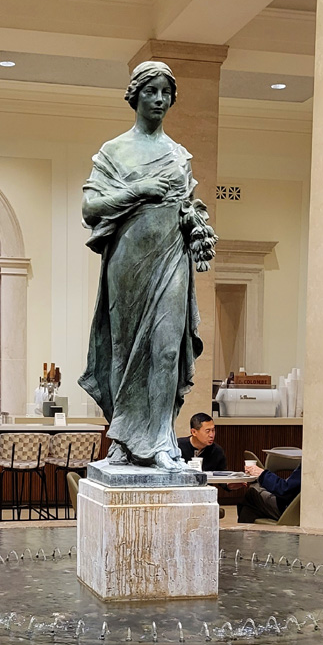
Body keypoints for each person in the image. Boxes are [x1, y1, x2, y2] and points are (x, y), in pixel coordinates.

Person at [79, 60, 216, 471]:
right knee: (123, 352)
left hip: (171, 259)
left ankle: (159, 440)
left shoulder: (178, 156)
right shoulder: (114, 151)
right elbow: (90, 208)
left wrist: (196, 222)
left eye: (166, 93)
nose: (159, 99)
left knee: (167, 350)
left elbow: (186, 205)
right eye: (151, 91)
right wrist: (139, 190)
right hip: (128, 263)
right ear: (135, 95)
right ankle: (122, 438)